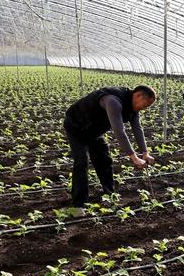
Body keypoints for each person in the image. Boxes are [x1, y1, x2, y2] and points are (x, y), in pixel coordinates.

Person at [63, 85, 156, 215]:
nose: (144, 108)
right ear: (138, 96)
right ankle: (78, 205)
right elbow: (119, 131)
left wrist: (145, 153)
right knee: (81, 162)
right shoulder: (113, 100)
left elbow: (137, 128)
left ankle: (110, 195)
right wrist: (134, 158)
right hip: (76, 126)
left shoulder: (133, 108)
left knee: (104, 160)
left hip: (94, 130)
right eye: (145, 105)